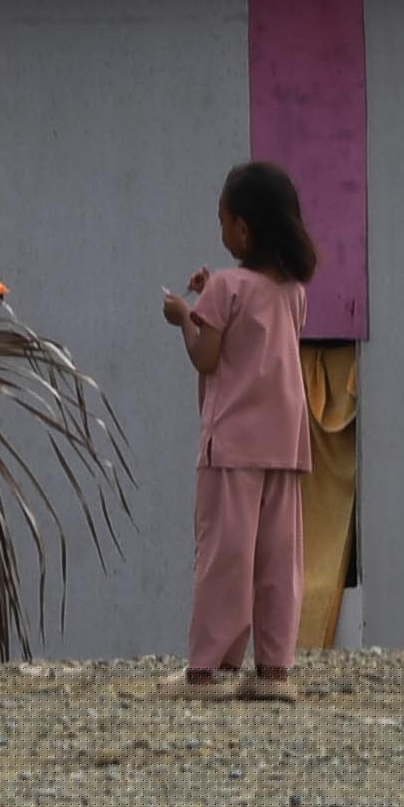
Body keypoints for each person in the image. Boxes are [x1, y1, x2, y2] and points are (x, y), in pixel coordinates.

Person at [158, 160, 320, 702]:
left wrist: (185, 314)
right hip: (285, 442)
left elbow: (206, 358)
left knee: (225, 554)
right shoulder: (293, 290)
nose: (222, 231)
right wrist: (209, 300)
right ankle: (274, 670)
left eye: (224, 220)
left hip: (231, 444)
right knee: (277, 558)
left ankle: (206, 670)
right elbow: (258, 333)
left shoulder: (226, 287)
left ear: (243, 228)